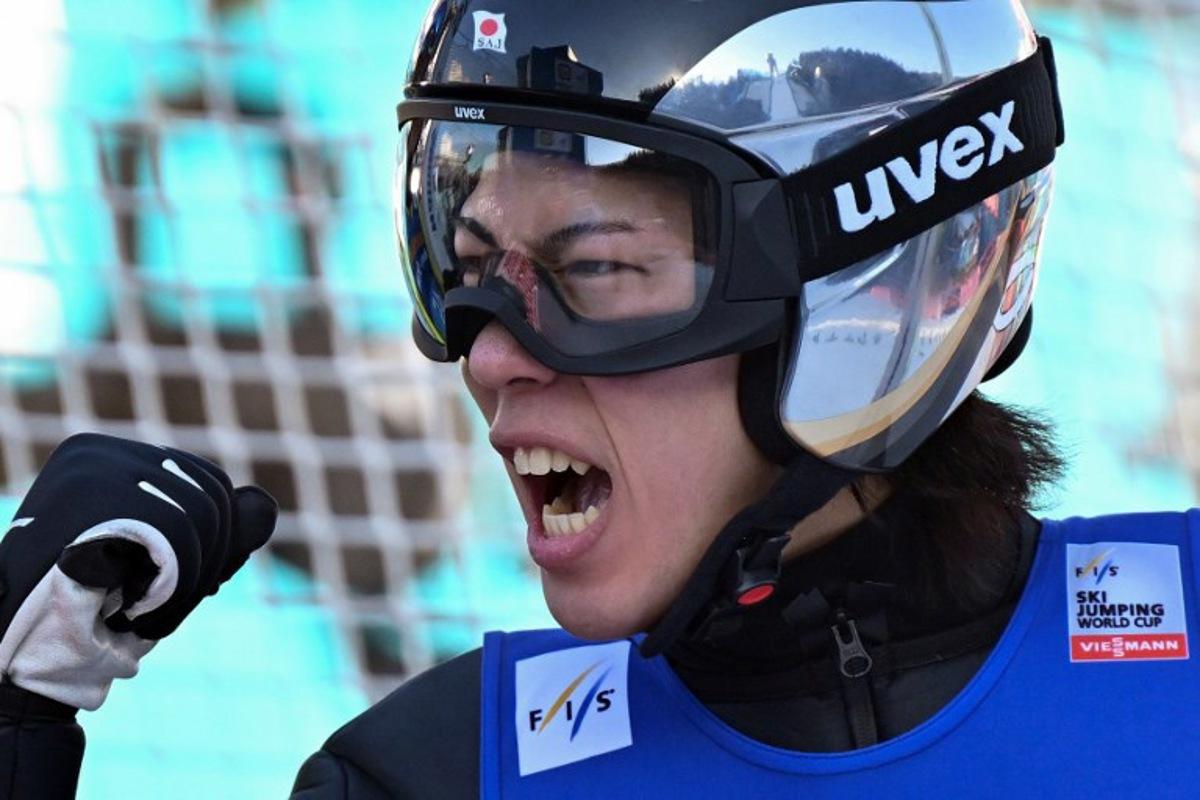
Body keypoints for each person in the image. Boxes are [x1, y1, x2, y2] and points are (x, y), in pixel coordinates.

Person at [1, 0, 1197, 797]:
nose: (492, 354)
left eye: (592, 273)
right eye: (467, 272)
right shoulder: (431, 774)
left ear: (874, 297)